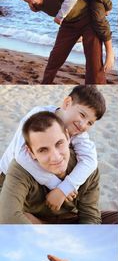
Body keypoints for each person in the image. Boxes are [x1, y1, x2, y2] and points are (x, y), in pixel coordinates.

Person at [0, 85, 104, 213]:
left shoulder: (77, 131)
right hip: (8, 177)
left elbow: (90, 160)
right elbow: (21, 156)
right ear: (67, 103)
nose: (83, 125)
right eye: (82, 115)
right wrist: (56, 186)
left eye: (90, 123)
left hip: (40, 179)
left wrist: (66, 187)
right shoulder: (38, 116)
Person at [13, 0, 113, 84]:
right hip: (68, 24)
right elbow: (36, 4)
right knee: (54, 60)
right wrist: (32, 5)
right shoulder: (34, 3)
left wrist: (107, 5)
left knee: (94, 66)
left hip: (89, 20)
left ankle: (94, 96)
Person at [30, 0, 114, 72]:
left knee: (98, 18)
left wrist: (60, 16)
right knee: (73, 11)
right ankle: (79, 33)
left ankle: (110, 52)